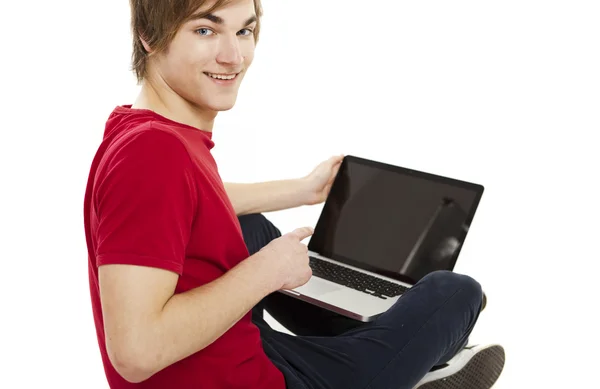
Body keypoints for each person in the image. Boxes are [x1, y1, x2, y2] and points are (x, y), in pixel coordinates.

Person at [82, 0, 506, 388]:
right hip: (259, 381)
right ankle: (406, 359)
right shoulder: (155, 153)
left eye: (244, 31)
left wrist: (302, 191)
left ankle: (388, 349)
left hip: (234, 353)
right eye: (205, 31)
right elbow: (135, 355)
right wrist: (265, 272)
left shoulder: (140, 130)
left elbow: (183, 205)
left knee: (248, 228)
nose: (233, 56)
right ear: (149, 36)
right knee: (455, 293)